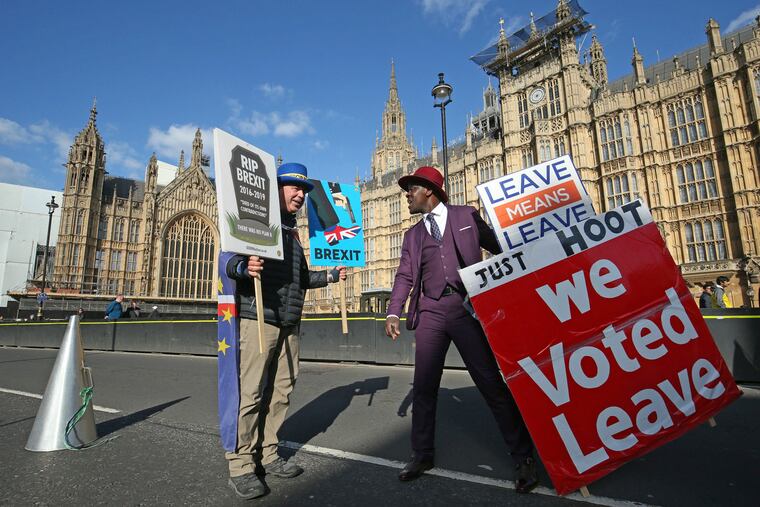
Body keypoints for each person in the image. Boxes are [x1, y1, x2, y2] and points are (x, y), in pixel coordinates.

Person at [384, 166, 538, 494]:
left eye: (411, 189)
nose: (407, 195)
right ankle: (422, 454)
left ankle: (523, 456)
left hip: (466, 308)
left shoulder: (465, 215)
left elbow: (500, 245)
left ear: (429, 189)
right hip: (430, 311)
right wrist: (393, 312)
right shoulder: (412, 235)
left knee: (490, 383)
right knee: (424, 386)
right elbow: (405, 276)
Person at [222, 162, 346, 500]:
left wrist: (331, 277)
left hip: (289, 320)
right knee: (250, 394)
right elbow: (228, 261)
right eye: (293, 187)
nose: (301, 195)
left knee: (281, 392)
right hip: (258, 317)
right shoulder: (255, 223)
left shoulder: (291, 233)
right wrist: (243, 267)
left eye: (304, 190)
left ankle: (268, 453)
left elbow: (301, 280)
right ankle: (241, 465)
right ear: (274, 188)